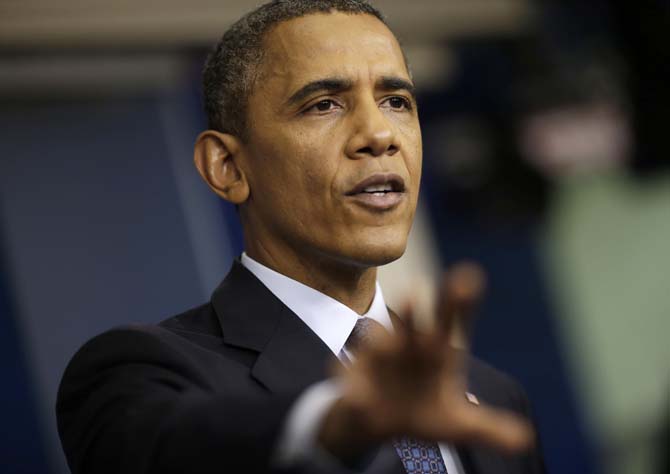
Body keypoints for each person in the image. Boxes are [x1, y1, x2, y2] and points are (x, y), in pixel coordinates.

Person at [56, 1, 546, 473]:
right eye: (324, 104)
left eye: (396, 101)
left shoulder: (492, 394)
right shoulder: (145, 372)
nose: (380, 134)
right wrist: (340, 421)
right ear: (227, 167)